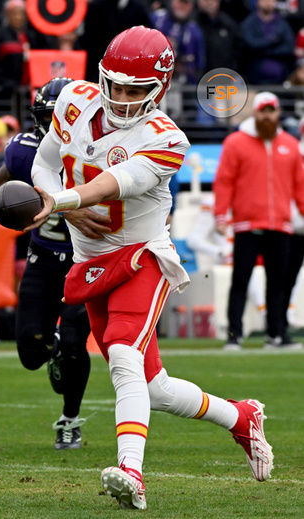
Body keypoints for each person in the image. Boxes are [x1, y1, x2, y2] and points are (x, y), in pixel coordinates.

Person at [28, 26, 273, 510]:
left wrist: (61, 200)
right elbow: (43, 161)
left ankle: (131, 473)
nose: (120, 97)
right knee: (154, 387)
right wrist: (63, 204)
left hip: (142, 258)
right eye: (114, 84)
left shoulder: (166, 136)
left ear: (158, 89)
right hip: (91, 260)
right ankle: (241, 417)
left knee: (122, 357)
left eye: (134, 89)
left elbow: (118, 182)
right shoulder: (74, 99)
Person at [0, 78, 111, 449]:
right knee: (30, 352)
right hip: (43, 258)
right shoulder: (26, 152)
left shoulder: (105, 150)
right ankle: (52, 346)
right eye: (48, 117)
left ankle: (69, 419)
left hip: (86, 260)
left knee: (77, 344)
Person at [213, 91, 304, 350]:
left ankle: (276, 335)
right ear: (255, 112)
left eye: (271, 111)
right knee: (240, 280)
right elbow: (224, 181)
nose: (267, 116)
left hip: (280, 224)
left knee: (279, 282)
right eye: (263, 111)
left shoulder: (289, 144)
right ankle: (234, 335)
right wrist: (221, 214)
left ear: (277, 113)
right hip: (247, 224)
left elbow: (300, 185)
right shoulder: (236, 143)